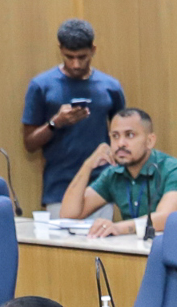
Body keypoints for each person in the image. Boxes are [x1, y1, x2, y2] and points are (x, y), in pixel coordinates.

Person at [23, 17, 127, 201]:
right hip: (59, 187)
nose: (75, 65)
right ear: (60, 50)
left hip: (102, 186)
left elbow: (123, 135)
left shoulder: (111, 87)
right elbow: (30, 144)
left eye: (82, 57)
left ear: (93, 50)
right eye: (69, 57)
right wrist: (56, 123)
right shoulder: (41, 86)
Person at [57, 107, 177, 237]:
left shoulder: (175, 171)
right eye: (115, 136)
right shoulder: (113, 174)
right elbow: (69, 215)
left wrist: (119, 228)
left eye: (130, 135)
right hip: (135, 249)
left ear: (149, 141)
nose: (121, 143)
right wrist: (87, 165)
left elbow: (166, 218)